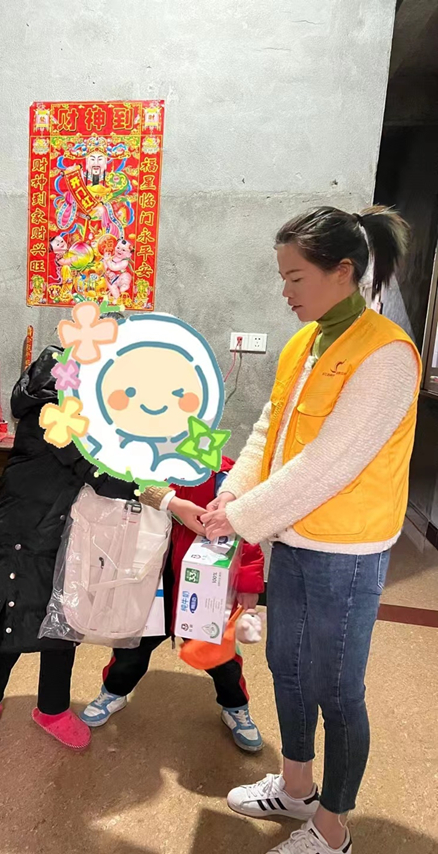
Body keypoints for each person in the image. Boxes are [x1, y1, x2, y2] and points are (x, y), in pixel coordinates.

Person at [202, 206, 419, 854]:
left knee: (336, 688)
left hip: (346, 552)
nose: (285, 292)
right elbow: (267, 433)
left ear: (342, 271)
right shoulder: (305, 343)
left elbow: (328, 463)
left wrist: (239, 519)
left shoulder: (387, 355)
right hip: (291, 538)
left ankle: (332, 827)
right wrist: (230, 492)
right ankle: (296, 786)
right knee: (287, 666)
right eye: (283, 278)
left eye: (295, 278)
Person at [0, 345, 207, 752]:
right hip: (24, 528)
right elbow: (100, 471)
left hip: (70, 531)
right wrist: (170, 501)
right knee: (9, 615)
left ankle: (52, 708)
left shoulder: (95, 407)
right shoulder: (54, 408)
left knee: (65, 617)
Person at [81, 458, 266, 753]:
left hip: (203, 583)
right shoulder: (145, 463)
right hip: (149, 579)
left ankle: (235, 706)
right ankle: (113, 691)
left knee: (218, 655)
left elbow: (246, 529)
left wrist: (247, 583)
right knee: (131, 647)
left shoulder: (224, 476)